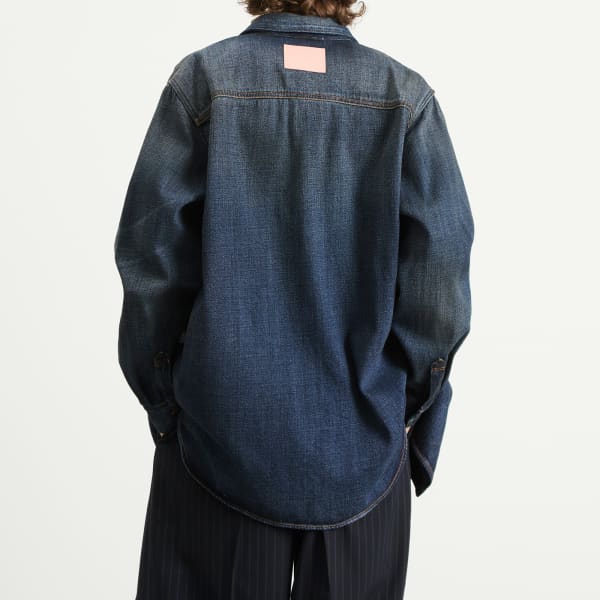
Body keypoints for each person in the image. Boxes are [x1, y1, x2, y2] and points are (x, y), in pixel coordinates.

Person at [114, 1, 474, 598]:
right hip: (362, 455)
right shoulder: (405, 98)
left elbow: (151, 266)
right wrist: (401, 414)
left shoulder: (203, 83)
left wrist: (168, 403)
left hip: (215, 443)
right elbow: (440, 290)